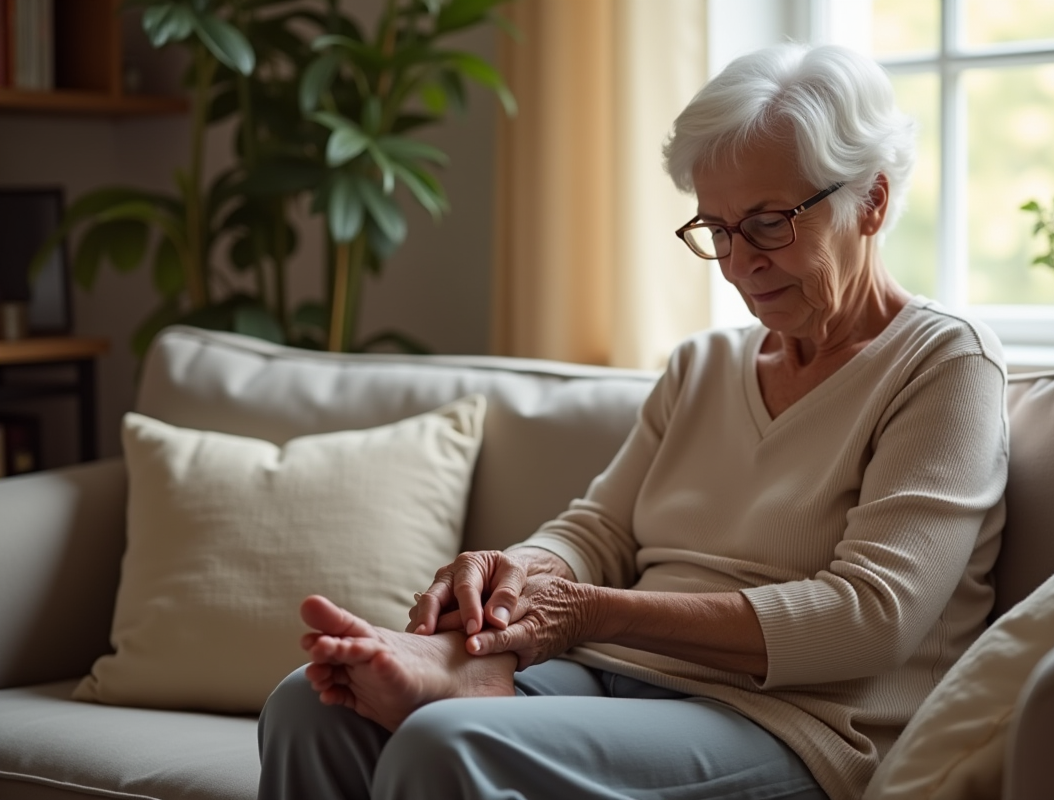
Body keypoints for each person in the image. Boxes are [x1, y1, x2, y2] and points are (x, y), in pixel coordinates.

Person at [257, 42, 1008, 800]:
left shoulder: (945, 364)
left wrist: (587, 615)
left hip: (796, 724)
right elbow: (601, 534)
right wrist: (519, 572)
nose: (738, 262)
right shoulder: (703, 366)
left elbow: (869, 617)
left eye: (769, 223)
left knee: (448, 744)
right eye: (717, 228)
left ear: (872, 200)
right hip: (612, 683)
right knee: (309, 705)